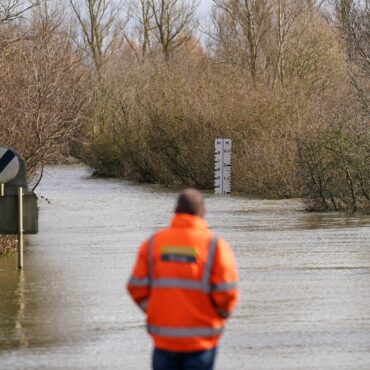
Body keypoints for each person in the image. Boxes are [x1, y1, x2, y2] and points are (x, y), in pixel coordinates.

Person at [127, 188, 239, 370]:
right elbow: (227, 292)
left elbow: (135, 287)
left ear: (176, 211)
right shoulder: (215, 246)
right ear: (202, 212)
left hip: (164, 340)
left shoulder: (153, 244)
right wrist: (220, 314)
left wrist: (153, 310)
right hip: (201, 342)